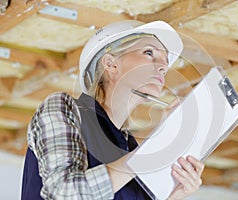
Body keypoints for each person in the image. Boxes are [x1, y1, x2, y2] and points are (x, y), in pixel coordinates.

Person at [21, 20, 205, 200]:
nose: (163, 66)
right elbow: (65, 193)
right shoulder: (64, 109)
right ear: (111, 63)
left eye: (165, 65)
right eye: (149, 52)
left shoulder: (130, 149)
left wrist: (175, 194)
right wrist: (155, 145)